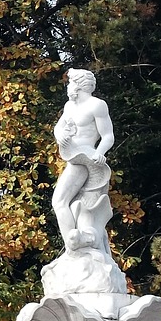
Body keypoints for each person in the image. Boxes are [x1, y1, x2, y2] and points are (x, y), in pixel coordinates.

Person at [51, 69, 114, 253]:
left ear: (78, 85)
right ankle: (77, 239)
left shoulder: (97, 105)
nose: (68, 86)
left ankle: (73, 244)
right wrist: (61, 135)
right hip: (72, 157)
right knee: (75, 204)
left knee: (59, 201)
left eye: (70, 83)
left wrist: (100, 152)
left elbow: (108, 136)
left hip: (85, 160)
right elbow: (58, 127)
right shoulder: (70, 106)